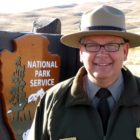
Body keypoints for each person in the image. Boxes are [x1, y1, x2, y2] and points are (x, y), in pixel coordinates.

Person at [27, 5, 140, 140]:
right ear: (81, 52)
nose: (102, 54)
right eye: (92, 45)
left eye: (112, 45)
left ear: (125, 51)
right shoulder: (53, 101)